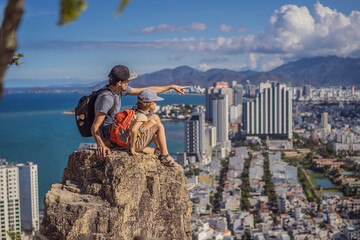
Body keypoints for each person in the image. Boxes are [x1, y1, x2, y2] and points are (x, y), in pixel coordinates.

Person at [91, 65, 188, 159]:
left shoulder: (118, 90)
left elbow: (147, 91)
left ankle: (161, 152)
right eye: (127, 81)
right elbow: (95, 127)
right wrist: (101, 145)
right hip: (112, 140)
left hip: (117, 134)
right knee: (156, 123)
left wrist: (170, 87)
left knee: (154, 118)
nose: (128, 83)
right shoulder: (107, 98)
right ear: (119, 83)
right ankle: (165, 155)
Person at [128, 89, 178, 167]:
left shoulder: (135, 110)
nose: (156, 104)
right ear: (150, 104)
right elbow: (134, 130)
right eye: (155, 102)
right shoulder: (142, 117)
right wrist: (132, 147)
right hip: (134, 144)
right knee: (159, 126)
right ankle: (165, 154)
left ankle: (159, 148)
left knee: (154, 117)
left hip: (129, 139)